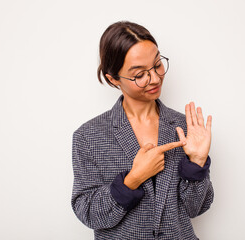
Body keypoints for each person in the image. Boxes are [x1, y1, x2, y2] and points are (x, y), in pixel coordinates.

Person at [71, 21, 214, 240]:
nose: (155, 78)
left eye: (157, 65)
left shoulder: (185, 127)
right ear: (113, 79)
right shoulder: (88, 136)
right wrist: (132, 180)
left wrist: (196, 164)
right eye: (139, 75)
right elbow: (88, 213)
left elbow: (197, 208)